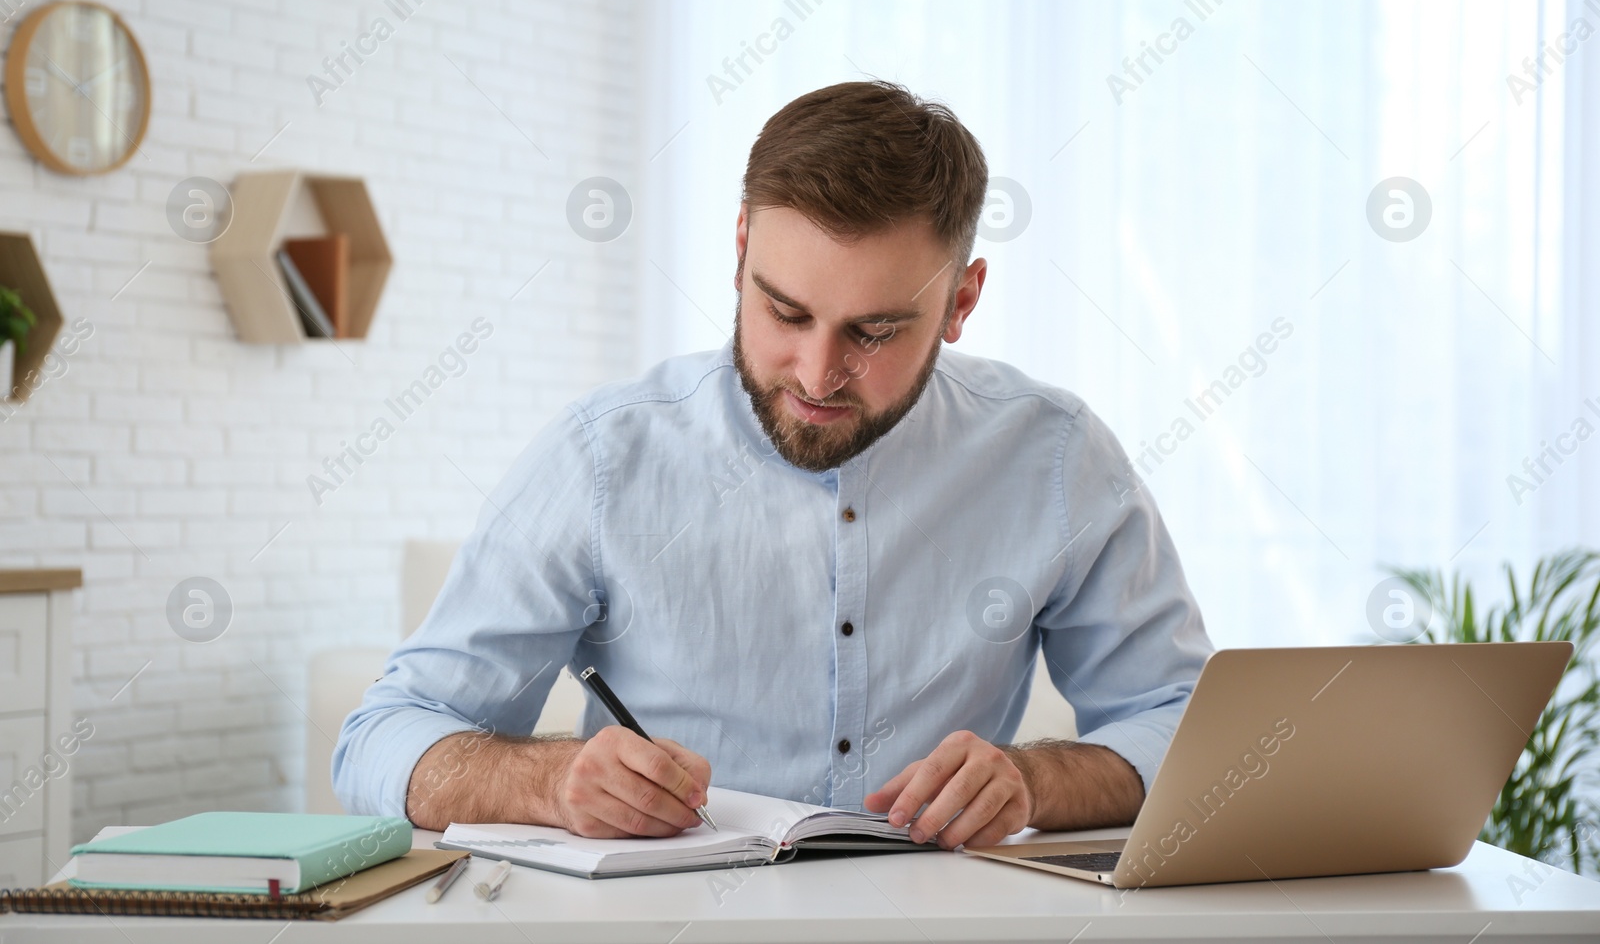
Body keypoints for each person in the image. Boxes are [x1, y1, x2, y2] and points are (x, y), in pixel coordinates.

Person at [333, 81, 1212, 851]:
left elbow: (1194, 731)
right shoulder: (604, 457)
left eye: (873, 332)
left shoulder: (1053, 456)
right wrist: (549, 783)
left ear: (962, 300)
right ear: (741, 247)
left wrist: (1038, 783)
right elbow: (380, 739)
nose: (818, 372)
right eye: (785, 311)